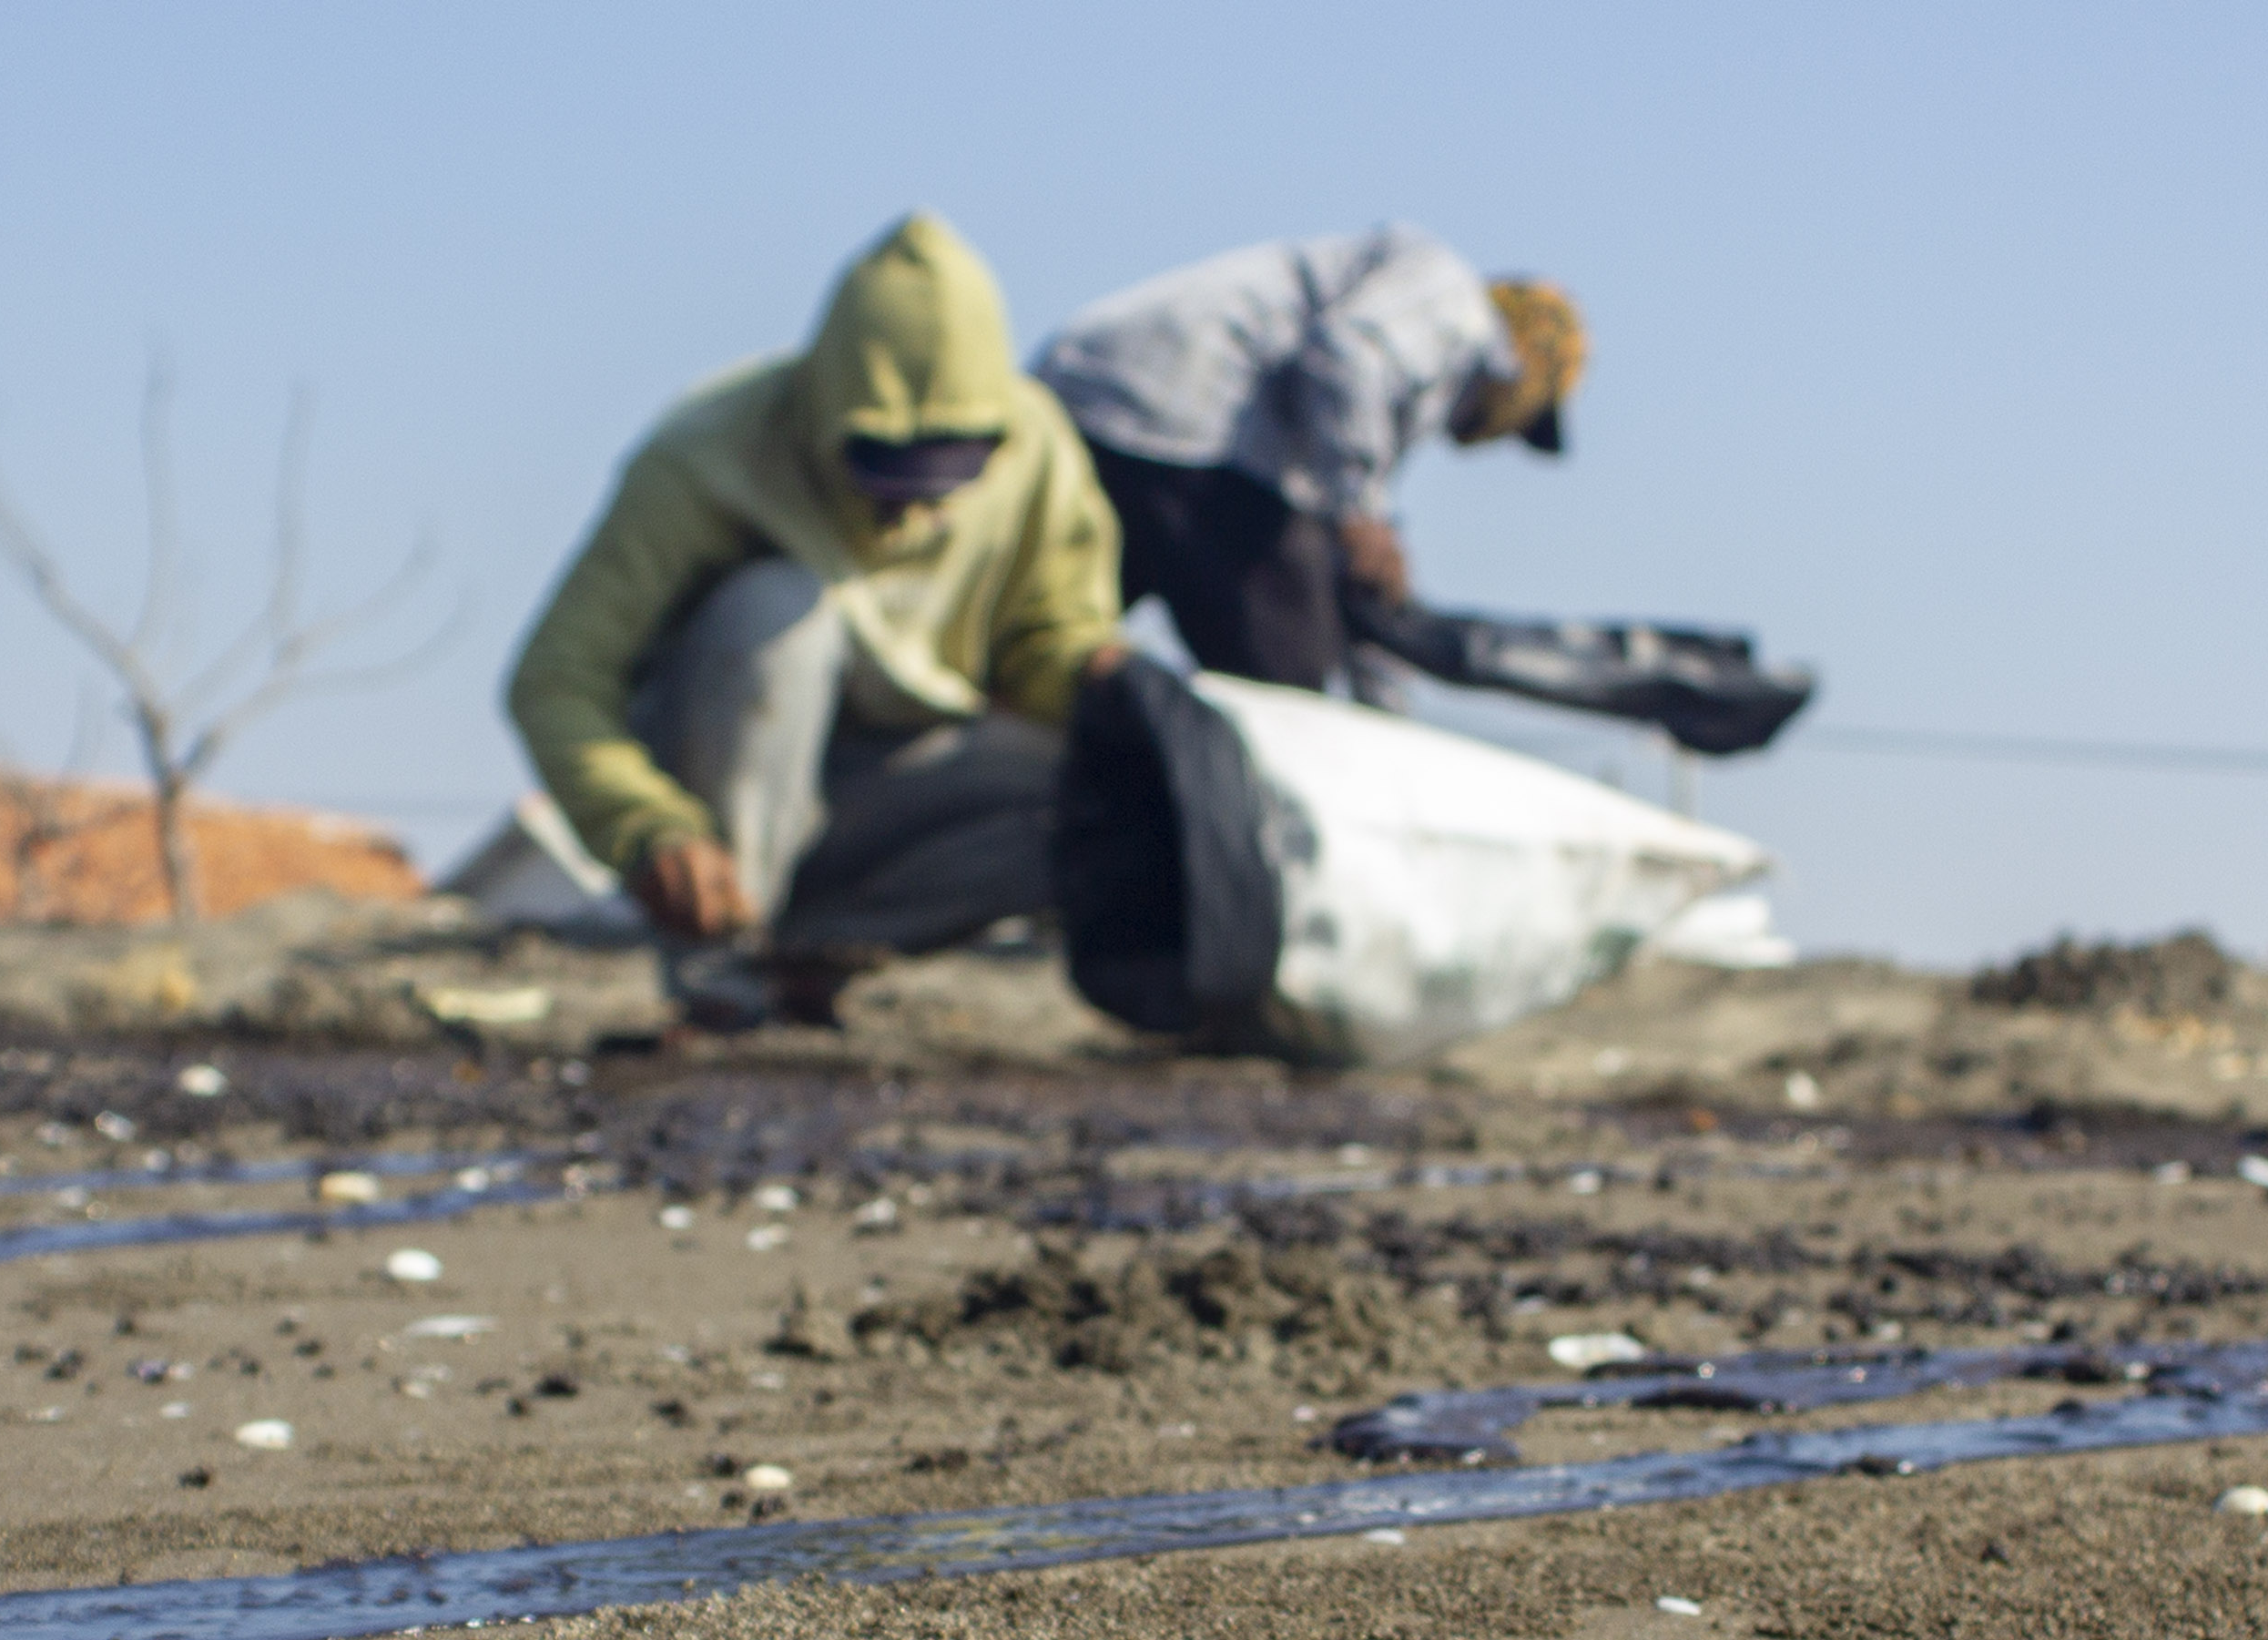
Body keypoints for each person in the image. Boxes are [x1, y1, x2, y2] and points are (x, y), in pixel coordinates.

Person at [505, 212, 1127, 1029]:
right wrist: (646, 829)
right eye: (886, 472)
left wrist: (1099, 682)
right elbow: (556, 677)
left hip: (903, 777)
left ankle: (820, 949)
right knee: (776, 613)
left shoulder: (1039, 447)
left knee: (1116, 779)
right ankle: (725, 972)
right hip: (729, 782)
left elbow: (1048, 643)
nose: (916, 504)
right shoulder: (707, 452)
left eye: (948, 477)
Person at [1031, 226, 1583, 694]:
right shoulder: (1454, 303)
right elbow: (1349, 354)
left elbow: (1351, 578)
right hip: (1191, 413)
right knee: (1289, 686)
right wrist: (1363, 516)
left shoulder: (1377, 410)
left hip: (1089, 407)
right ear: (1521, 374)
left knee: (1049, 647)